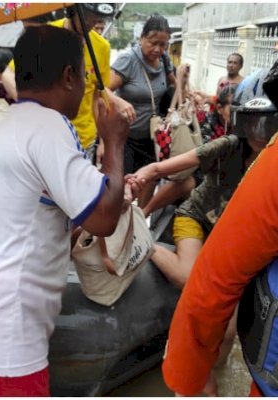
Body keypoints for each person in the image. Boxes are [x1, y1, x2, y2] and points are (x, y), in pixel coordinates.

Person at [0, 25, 134, 397]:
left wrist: (108, 190)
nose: (85, 84)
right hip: (7, 336)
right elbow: (103, 220)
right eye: (83, 74)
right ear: (69, 76)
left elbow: (46, 223)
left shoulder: (16, 122)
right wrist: (113, 143)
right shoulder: (47, 127)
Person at [128, 91, 278, 392]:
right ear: (241, 124)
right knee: (188, 277)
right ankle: (146, 244)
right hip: (198, 219)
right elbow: (166, 167)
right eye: (253, 125)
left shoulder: (269, 159)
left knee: (230, 329)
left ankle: (215, 375)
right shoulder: (227, 146)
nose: (259, 134)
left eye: (267, 125)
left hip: (236, 239)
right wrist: (141, 177)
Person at [0, 4, 137, 164]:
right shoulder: (46, 35)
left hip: (84, 140)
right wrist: (35, 110)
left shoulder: (101, 47)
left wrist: (103, 141)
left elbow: (96, 96)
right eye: (86, 16)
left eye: (97, 19)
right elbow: (8, 75)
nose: (91, 23)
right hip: (46, 137)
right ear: (72, 10)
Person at [109, 14, 176, 207]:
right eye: (153, 43)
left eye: (163, 45)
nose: (158, 49)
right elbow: (102, 90)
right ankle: (117, 229)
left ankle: (139, 220)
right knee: (124, 188)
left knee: (148, 181)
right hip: (126, 139)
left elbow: (175, 84)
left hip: (154, 138)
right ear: (142, 38)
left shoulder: (164, 60)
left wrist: (189, 87)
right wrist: (119, 102)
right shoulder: (128, 60)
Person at [141, 84, 235, 218]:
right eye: (232, 108)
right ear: (219, 108)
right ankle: (141, 212)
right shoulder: (205, 120)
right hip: (196, 169)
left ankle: (145, 211)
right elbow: (200, 155)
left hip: (214, 180)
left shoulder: (242, 131)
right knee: (155, 172)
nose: (236, 112)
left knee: (185, 182)